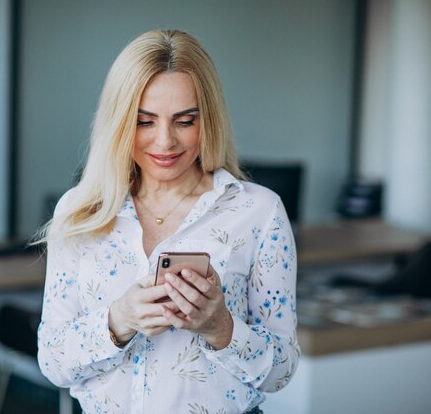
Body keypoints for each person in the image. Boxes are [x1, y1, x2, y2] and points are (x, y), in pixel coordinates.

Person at [36, 29, 299, 414]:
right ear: (120, 122)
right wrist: (118, 320)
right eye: (144, 121)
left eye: (184, 121)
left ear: (207, 119)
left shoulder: (259, 213)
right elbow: (53, 362)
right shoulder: (80, 211)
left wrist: (220, 328)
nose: (165, 142)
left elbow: (281, 372)